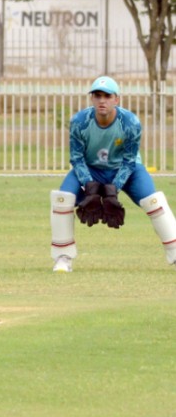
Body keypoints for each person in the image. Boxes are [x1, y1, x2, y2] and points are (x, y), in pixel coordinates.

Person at [50, 76, 176, 272]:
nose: (102, 100)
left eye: (107, 96)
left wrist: (112, 190)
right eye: (97, 95)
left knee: (154, 203)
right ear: (92, 99)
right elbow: (76, 157)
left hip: (126, 169)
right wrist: (89, 185)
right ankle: (63, 257)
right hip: (91, 168)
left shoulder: (130, 122)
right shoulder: (79, 121)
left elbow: (129, 159)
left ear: (116, 99)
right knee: (61, 200)